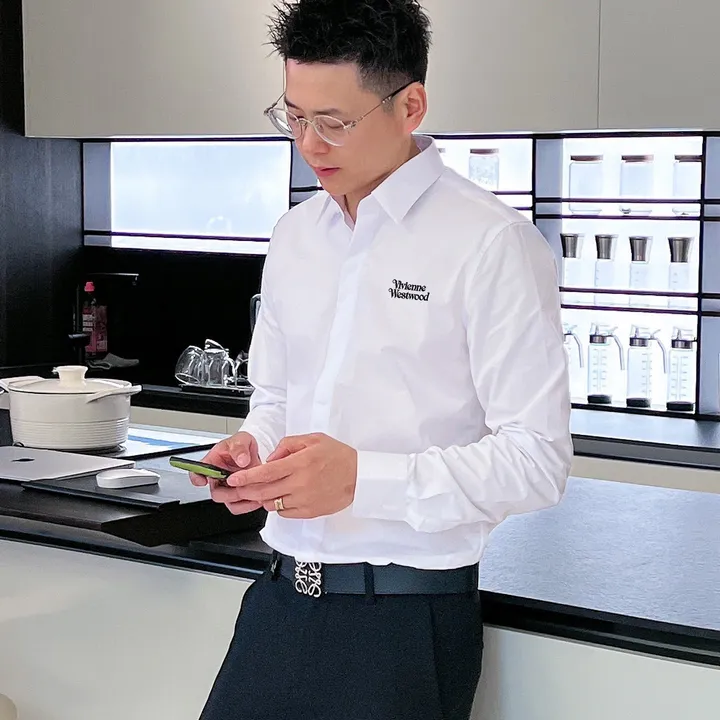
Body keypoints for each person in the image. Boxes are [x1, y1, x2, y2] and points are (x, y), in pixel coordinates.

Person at [192, 1, 572, 718]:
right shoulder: (295, 235)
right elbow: (276, 400)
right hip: (277, 603)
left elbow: (536, 460)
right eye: (294, 117)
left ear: (411, 106)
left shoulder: (491, 243)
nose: (309, 143)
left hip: (402, 623)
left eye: (333, 122)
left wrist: (361, 480)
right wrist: (254, 453)